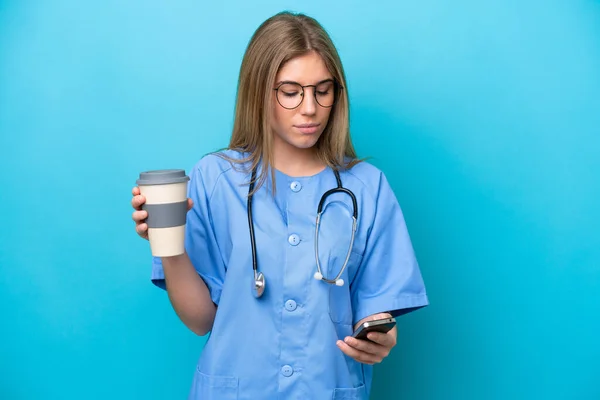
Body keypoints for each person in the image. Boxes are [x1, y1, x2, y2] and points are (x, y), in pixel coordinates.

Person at [131, 11, 428, 400]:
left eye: (323, 90)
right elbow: (201, 320)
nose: (310, 108)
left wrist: (381, 339)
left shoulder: (367, 187)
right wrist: (167, 247)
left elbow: (378, 310)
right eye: (291, 92)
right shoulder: (214, 179)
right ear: (259, 91)